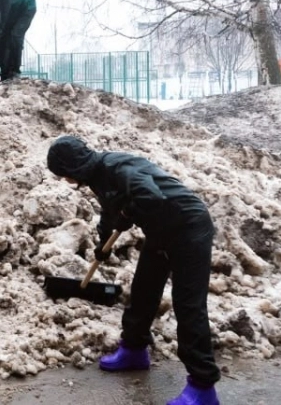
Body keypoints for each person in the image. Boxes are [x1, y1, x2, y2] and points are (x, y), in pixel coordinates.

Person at [46, 135, 221, 405]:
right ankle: (134, 350)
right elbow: (110, 211)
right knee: (143, 291)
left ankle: (202, 388)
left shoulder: (117, 168)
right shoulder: (97, 177)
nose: (65, 181)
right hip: (160, 230)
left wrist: (129, 213)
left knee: (188, 306)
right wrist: (104, 243)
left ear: (73, 167)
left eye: (64, 175)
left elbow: (150, 195)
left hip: (188, 228)